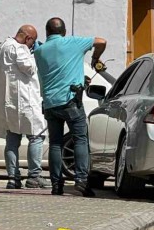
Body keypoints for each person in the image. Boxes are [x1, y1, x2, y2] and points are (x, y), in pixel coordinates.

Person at [35, 18, 107, 196]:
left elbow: (57, 71)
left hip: (50, 103)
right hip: (70, 100)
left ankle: (56, 184)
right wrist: (95, 57)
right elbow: (101, 41)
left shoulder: (39, 51)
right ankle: (81, 180)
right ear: (64, 31)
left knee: (55, 143)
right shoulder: (72, 42)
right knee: (80, 139)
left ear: (47, 32)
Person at [0, 25, 49, 190]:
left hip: (9, 103)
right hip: (24, 100)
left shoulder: (3, 46)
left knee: (12, 139)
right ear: (28, 38)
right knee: (36, 135)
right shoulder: (19, 49)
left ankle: (13, 178)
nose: (31, 45)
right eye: (32, 42)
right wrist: (35, 54)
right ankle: (34, 176)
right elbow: (29, 68)